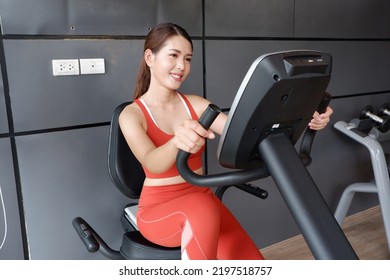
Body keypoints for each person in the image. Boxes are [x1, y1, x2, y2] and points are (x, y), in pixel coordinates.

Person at [119, 22, 333, 260]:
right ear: (150, 57)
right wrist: (175, 142)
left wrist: (306, 117)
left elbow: (245, 131)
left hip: (204, 202)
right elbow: (152, 162)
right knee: (201, 210)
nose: (182, 66)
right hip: (159, 211)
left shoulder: (196, 105)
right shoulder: (132, 114)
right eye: (174, 55)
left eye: (188, 59)